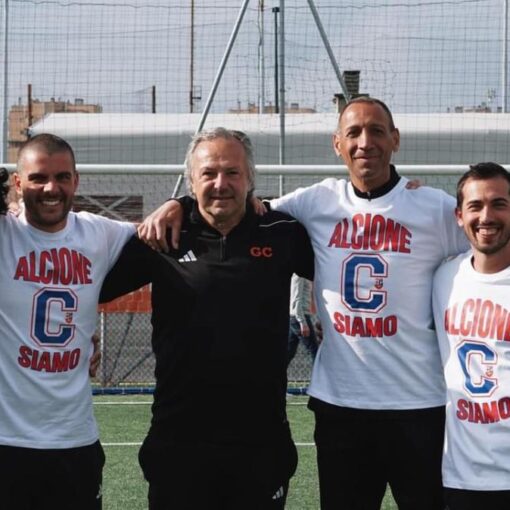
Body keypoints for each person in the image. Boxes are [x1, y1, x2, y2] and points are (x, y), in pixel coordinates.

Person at [139, 98, 470, 510]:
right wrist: (180, 203)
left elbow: (491, 241)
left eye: (377, 131)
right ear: (337, 144)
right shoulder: (316, 202)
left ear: (395, 140)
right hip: (340, 406)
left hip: (419, 404)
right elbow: (234, 204)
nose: (365, 142)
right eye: (353, 133)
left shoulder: (435, 208)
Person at [100, 128, 314, 510]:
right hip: (178, 442)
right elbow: (87, 288)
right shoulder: (163, 236)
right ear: (192, 180)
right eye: (209, 173)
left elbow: (348, 252)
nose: (220, 184)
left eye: (232, 172)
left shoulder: (283, 233)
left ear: (250, 178)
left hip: (260, 445)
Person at [0, 134, 135, 510]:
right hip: (6, 441)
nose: (51, 188)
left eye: (61, 177)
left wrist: (175, 205)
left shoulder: (99, 233)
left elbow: (160, 232)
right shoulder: (4, 234)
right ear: (17, 183)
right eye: (38, 178)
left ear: (76, 180)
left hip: (75, 440)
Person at [432, 162, 510, 510]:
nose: (486, 217)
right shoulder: (444, 278)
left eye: (499, 204)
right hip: (461, 476)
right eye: (475, 206)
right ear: (459, 216)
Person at [287, 274, 318, 367]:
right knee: (314, 350)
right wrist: (302, 322)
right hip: (299, 317)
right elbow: (296, 299)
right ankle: (318, 376)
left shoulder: (304, 276)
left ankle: (274, 374)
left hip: (297, 317)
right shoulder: (299, 276)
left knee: (289, 352)